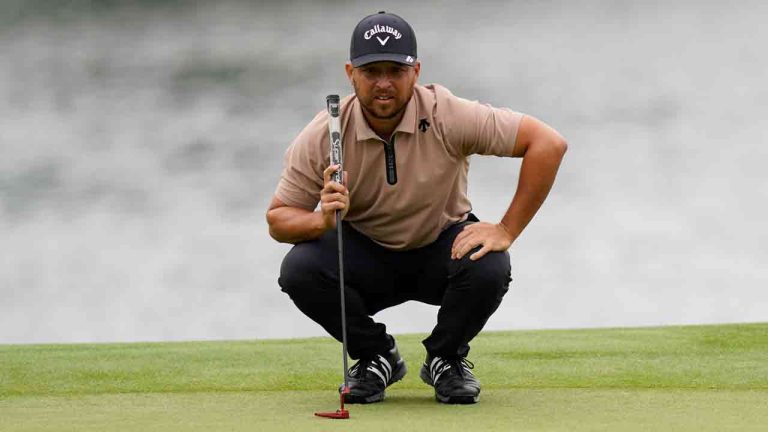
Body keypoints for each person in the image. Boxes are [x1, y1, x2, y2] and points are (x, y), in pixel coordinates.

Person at [266, 11, 567, 405]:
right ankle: (376, 357)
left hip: (441, 246)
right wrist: (320, 219)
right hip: (364, 254)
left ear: (416, 71)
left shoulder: (446, 113)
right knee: (300, 269)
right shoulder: (327, 133)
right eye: (371, 71)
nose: (384, 83)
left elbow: (547, 144)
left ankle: (446, 358)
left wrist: (506, 229)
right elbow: (278, 219)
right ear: (351, 74)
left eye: (396, 70)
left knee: (490, 264)